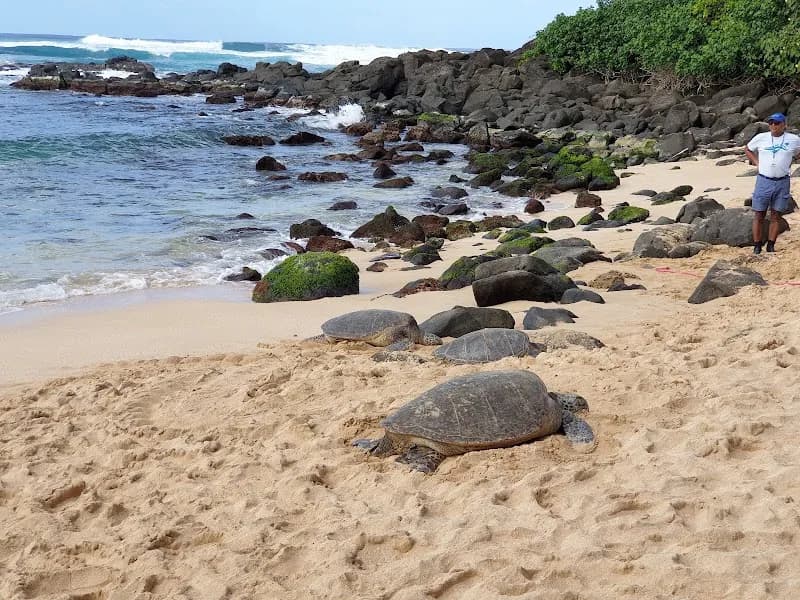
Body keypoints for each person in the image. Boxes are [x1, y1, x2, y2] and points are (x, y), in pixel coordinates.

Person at [745, 113, 800, 253]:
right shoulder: (761, 138)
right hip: (764, 180)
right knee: (759, 214)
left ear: (784, 125)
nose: (773, 126)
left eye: (777, 123)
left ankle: (771, 245)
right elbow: (748, 149)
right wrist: (756, 162)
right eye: (771, 123)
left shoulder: (793, 139)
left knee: (776, 215)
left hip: (782, 182)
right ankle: (757, 245)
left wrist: (792, 160)